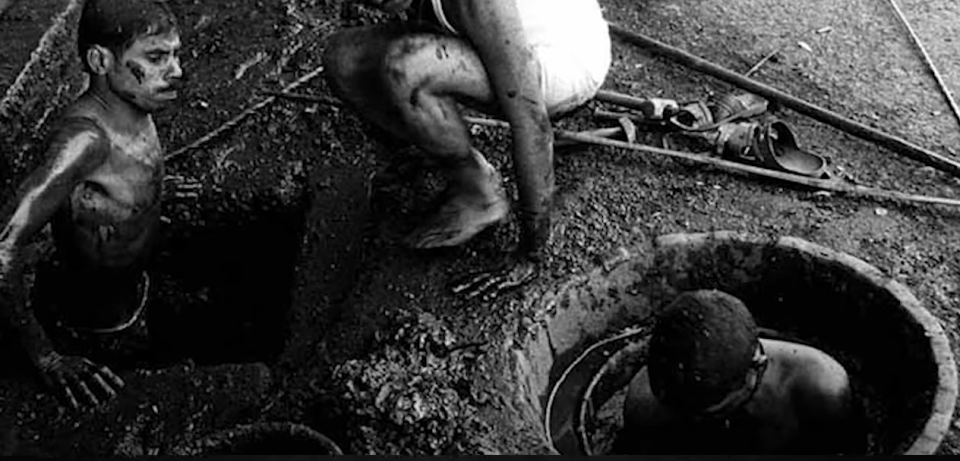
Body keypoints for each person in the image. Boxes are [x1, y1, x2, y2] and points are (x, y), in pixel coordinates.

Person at [323, 0, 611, 298]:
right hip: (500, 31)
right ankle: (456, 163)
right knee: (344, 59)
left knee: (408, 67)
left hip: (565, 60)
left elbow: (532, 122)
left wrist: (530, 254)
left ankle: (482, 198)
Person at [0, 0, 183, 410]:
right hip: (91, 329)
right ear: (100, 60)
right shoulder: (84, 140)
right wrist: (47, 357)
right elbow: (3, 246)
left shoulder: (133, 103)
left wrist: (150, 191)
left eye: (175, 54)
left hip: (133, 295)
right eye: (155, 58)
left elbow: (128, 168)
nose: (176, 72)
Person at [615, 290, 859, 454]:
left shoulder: (818, 389)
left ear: (757, 367)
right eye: (682, 413)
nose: (692, 421)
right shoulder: (646, 404)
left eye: (710, 414)